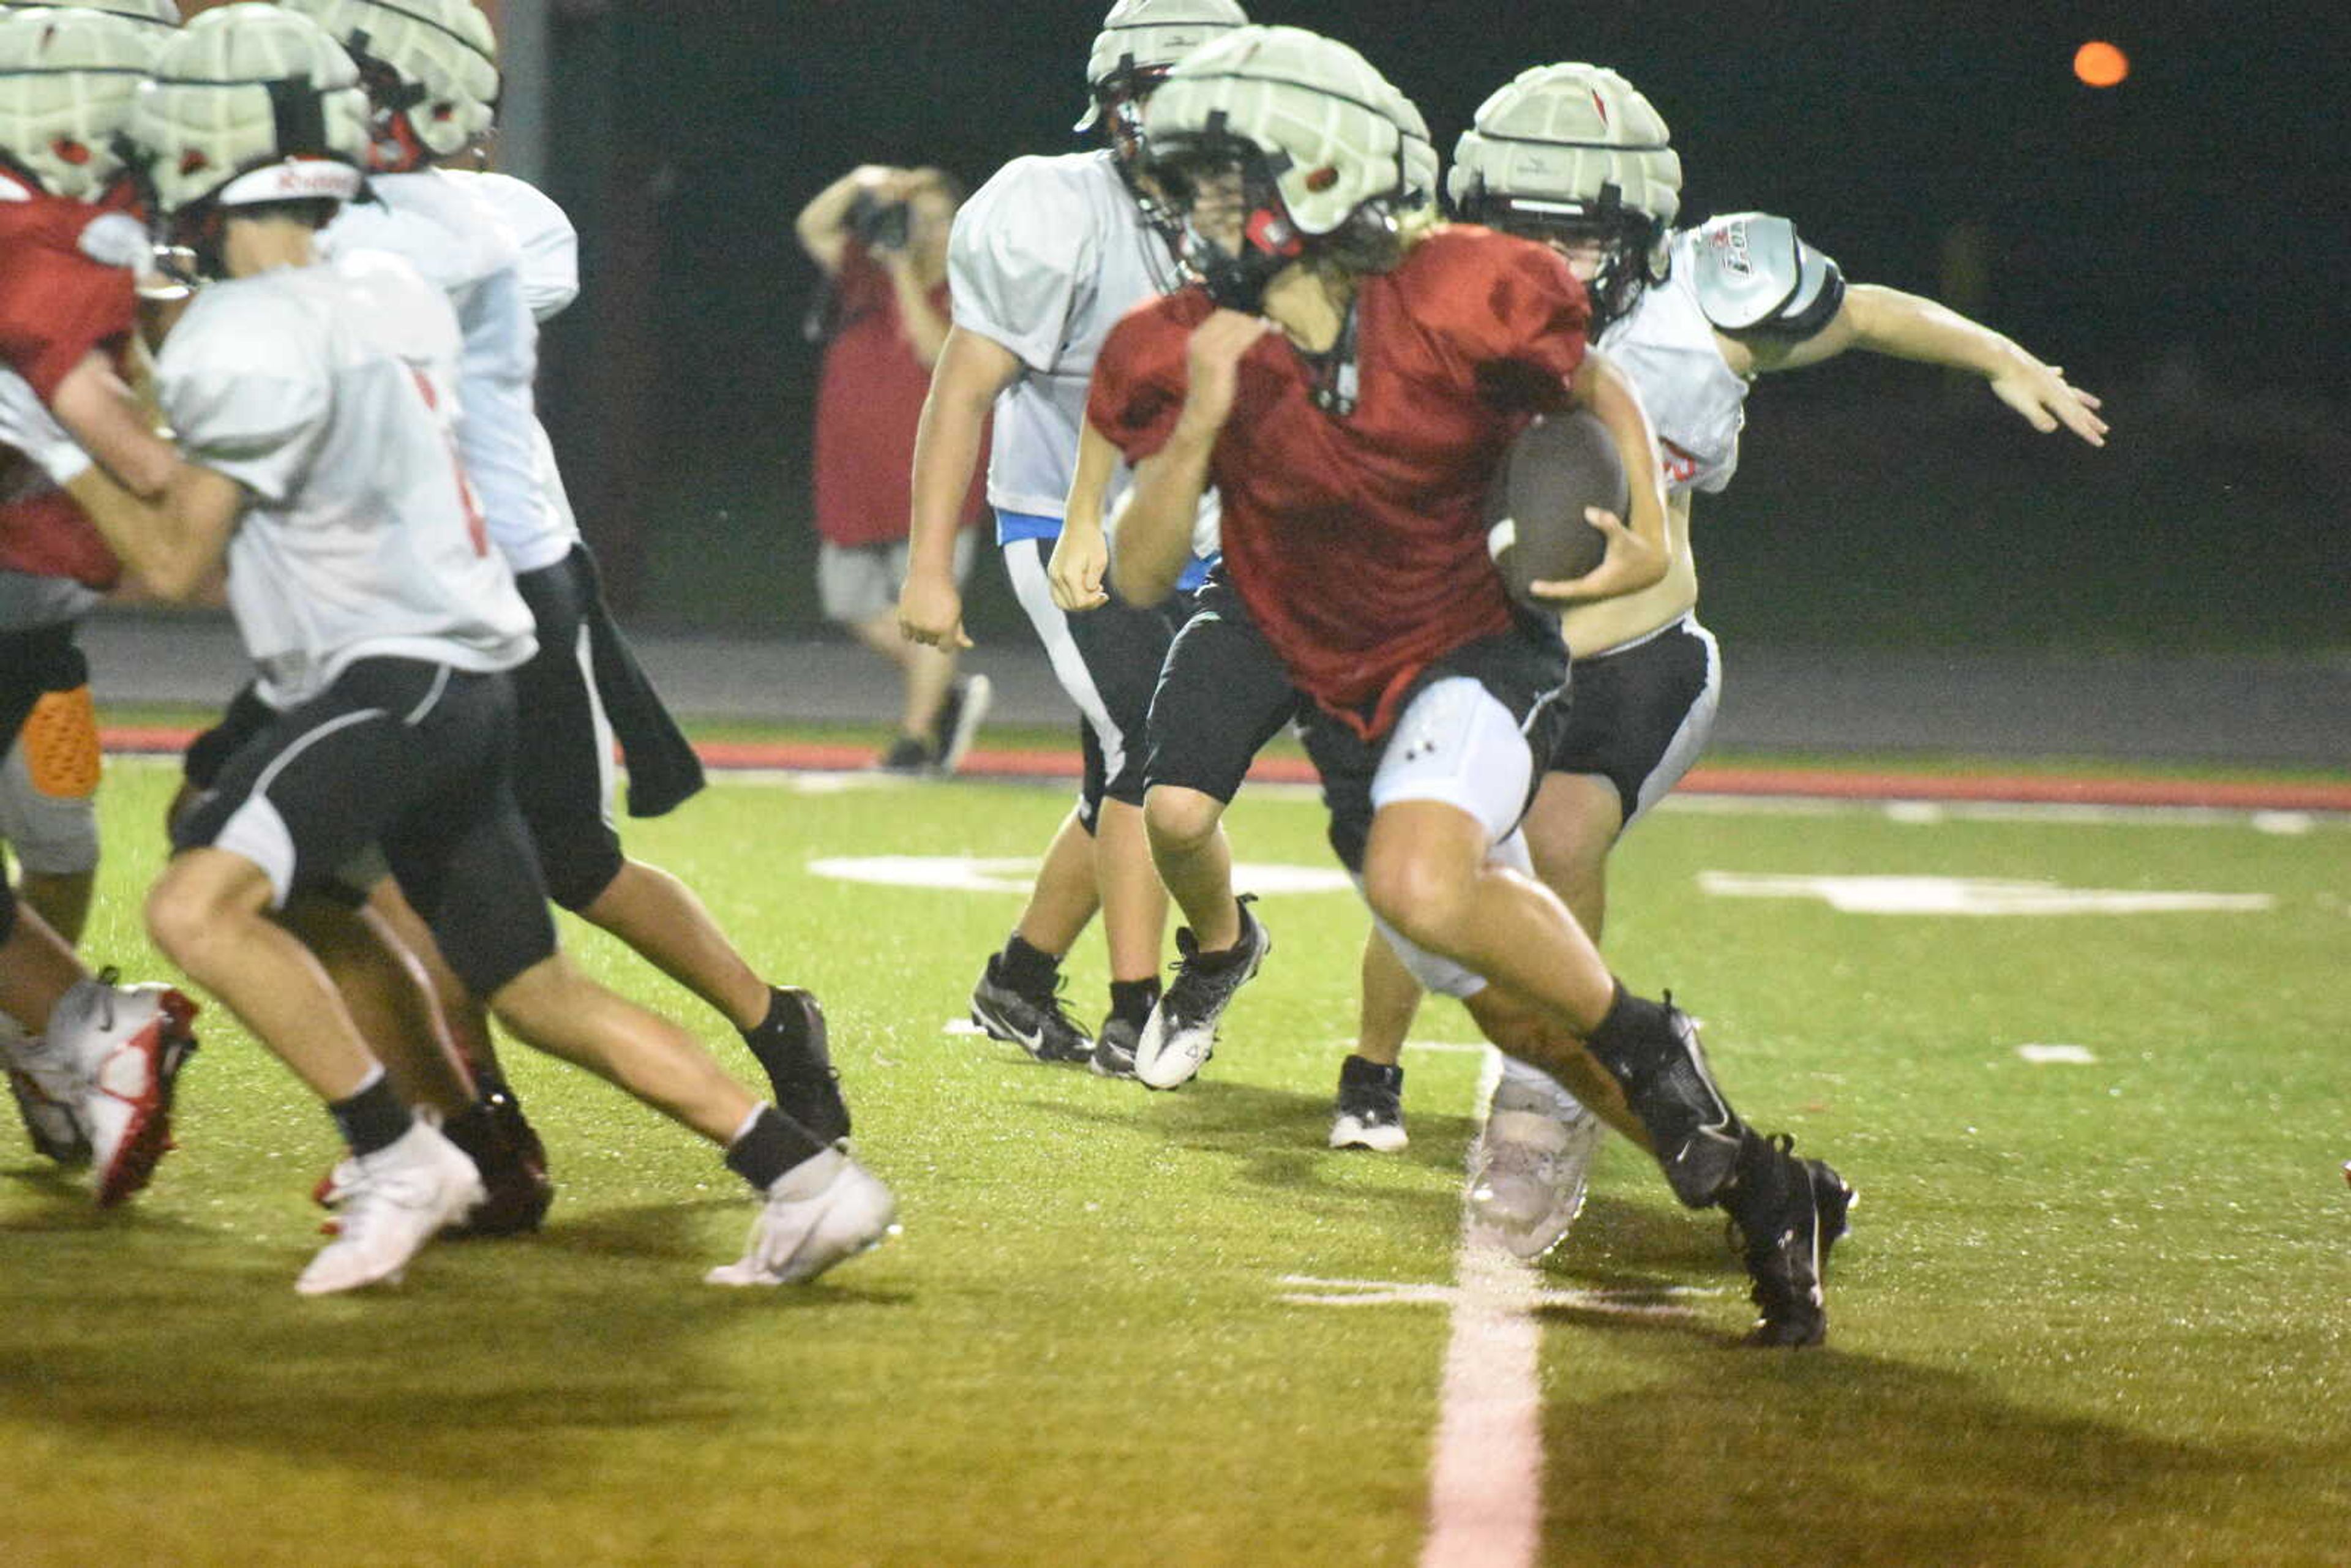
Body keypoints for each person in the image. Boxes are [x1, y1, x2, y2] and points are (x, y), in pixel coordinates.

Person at [0, 2, 894, 1293]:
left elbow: (174, 559)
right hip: (463, 668)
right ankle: (808, 1175)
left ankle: (398, 1148)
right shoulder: (389, 279)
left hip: (380, 675)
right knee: (531, 986)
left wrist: (60, 428)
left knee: (197, 895)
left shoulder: (252, 334)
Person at [1088, 24, 1841, 1345]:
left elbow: (1593, 381)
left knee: (1420, 881)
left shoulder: (1463, 290)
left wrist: (1649, 534)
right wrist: (1202, 420)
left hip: (1472, 649)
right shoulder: (1179, 342)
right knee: (1533, 1029)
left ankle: (1658, 1042)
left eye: (1223, 180)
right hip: (1340, 696)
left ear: (1321, 178)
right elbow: (1146, 575)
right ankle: (1773, 1190)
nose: (1193, 212)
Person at [1338, 61, 2107, 1258]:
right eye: (1527, 230)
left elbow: (1861, 313)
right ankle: (1379, 1071)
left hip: (1636, 659)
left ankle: (1541, 1113)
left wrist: (1996, 352)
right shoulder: (1419, 300)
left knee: (1555, 832)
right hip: (1485, 655)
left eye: (1586, 236)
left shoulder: (1709, 300)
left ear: (1644, 227)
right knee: (1429, 866)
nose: (1560, 261)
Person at [278, 0, 850, 1168]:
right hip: (368, 590)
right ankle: (478, 1126)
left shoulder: (495, 223)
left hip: (504, 576)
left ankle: (766, 1024)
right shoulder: (307, 216)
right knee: (391, 872)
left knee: (566, 862)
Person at [1044, 75, 1439, 1093]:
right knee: (1171, 809)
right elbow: (1119, 392)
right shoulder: (1192, 316)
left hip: (1411, 608)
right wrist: (1086, 513)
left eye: (1229, 196)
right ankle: (1222, 951)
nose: (1209, 222)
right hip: (1263, 589)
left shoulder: (1416, 299)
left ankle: (1378, 1072)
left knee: (1420, 848)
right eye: (1203, 199)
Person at [896, 0, 1246, 1078]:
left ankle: (1018, 981)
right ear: (1115, 106)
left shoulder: (1255, 210)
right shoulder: (1053, 205)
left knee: (1115, 770)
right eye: (1160, 96)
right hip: (1061, 517)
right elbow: (961, 391)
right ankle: (1141, 1003)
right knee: (1146, 750)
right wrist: (927, 567)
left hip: (1205, 522)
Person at [0, 1, 199, 1199]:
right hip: (46, 586)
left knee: (60, 830)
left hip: (47, 611)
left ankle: (64, 1024)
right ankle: (62, 1024)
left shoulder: (98, 226)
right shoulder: (97, 225)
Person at [796, 163, 991, 773]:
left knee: (927, 605)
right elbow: (812, 225)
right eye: (919, 219)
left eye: (940, 220)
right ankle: (947, 695)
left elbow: (936, 352)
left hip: (935, 471)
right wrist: (863, 182)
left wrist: (906, 269)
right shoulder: (863, 270)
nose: (928, 232)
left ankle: (914, 740)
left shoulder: (974, 285)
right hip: (856, 470)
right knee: (848, 600)